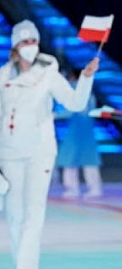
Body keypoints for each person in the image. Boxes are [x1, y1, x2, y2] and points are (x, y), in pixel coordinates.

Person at [0, 20, 99, 269]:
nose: (31, 46)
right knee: (14, 209)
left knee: (34, 207)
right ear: (15, 46)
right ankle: (22, 258)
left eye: (34, 41)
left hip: (40, 150)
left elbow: (75, 103)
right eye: (25, 41)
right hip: (9, 151)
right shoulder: (3, 75)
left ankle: (27, 264)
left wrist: (85, 79)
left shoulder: (48, 72)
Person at [55, 68, 103, 199]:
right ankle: (95, 188)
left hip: (76, 130)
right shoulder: (90, 92)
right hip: (86, 129)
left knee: (69, 159)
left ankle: (72, 189)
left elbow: (69, 110)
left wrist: (54, 115)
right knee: (89, 160)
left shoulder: (73, 89)